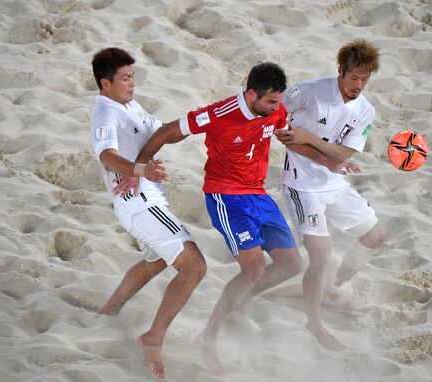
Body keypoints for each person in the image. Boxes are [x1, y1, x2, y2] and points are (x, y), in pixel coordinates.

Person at [129, 62, 302, 375]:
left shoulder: (274, 110)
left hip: (259, 195)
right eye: (271, 101)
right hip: (226, 197)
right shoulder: (221, 114)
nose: (278, 107)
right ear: (251, 95)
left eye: (279, 101)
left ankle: (238, 303)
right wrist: (139, 165)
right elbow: (169, 131)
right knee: (255, 268)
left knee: (292, 264)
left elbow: (282, 130)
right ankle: (207, 337)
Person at [89, 47, 207, 380]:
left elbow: (161, 132)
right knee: (194, 266)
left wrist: (204, 120)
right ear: (105, 83)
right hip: (140, 205)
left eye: (133, 76)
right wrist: (140, 169)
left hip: (148, 202)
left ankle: (109, 310)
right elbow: (107, 156)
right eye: (125, 78)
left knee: (155, 262)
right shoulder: (105, 114)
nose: (132, 83)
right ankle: (152, 337)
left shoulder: (128, 105)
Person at [275, 39, 385, 351]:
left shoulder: (365, 110)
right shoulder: (309, 93)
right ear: (340, 71)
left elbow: (342, 154)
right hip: (301, 186)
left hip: (334, 184)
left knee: (375, 236)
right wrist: (319, 152)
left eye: (365, 80)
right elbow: (277, 128)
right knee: (320, 256)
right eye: (354, 78)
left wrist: (311, 139)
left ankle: (337, 287)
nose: (359, 86)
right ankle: (314, 324)